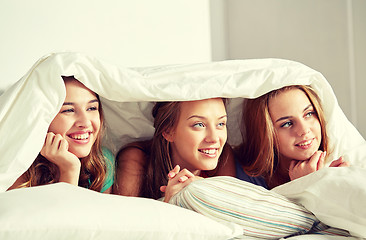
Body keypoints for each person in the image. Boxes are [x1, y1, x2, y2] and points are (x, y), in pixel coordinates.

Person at [114, 98, 265, 200]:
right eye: (199, 125)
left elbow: (226, 212)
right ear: (168, 131)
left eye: (220, 124)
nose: (214, 138)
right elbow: (126, 225)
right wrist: (170, 203)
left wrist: (197, 186)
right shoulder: (136, 158)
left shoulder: (224, 155)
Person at [8, 76, 114, 193]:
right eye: (68, 110)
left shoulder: (102, 161)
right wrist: (69, 170)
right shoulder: (18, 166)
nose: (85, 122)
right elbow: (64, 212)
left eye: (92, 108)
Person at [235, 85, 349, 189]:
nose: (304, 130)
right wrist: (304, 185)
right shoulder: (242, 177)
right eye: (287, 123)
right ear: (265, 134)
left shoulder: (340, 166)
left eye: (309, 114)